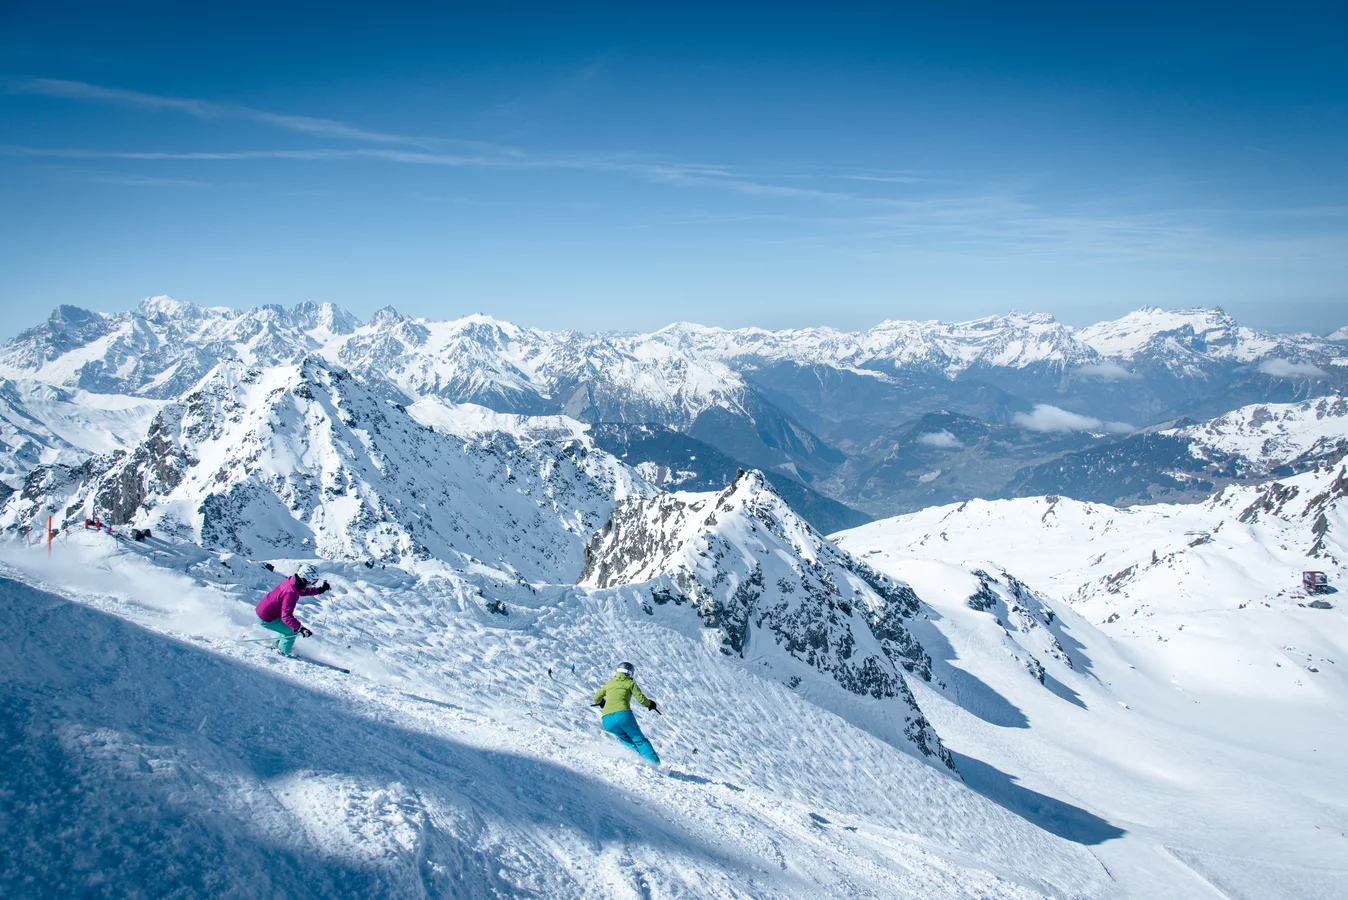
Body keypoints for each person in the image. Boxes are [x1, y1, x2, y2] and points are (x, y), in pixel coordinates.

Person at [592, 661, 660, 765]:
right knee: (638, 739)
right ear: (629, 673)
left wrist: (602, 702)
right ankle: (655, 764)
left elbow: (596, 697)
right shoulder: (630, 683)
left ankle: (636, 760)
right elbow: (641, 699)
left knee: (623, 738)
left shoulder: (609, 684)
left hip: (607, 720)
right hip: (623, 715)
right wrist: (650, 704)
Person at [255, 565, 330, 656]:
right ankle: (281, 654)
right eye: (313, 582)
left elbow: (301, 591)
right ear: (306, 579)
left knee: (287, 628)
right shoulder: (292, 592)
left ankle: (276, 645)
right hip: (267, 617)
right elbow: (286, 616)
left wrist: (319, 590)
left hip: (265, 611)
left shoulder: (292, 581)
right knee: (292, 631)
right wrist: (300, 629)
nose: (312, 584)